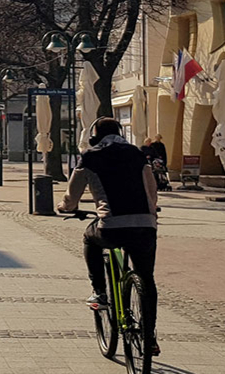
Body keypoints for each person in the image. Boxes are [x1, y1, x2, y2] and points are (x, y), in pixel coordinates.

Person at [58, 117, 161, 356]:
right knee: (147, 278)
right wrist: (151, 210)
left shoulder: (90, 156)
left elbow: (72, 195)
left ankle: (100, 292)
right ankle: (149, 335)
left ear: (94, 136)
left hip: (111, 226)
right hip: (145, 226)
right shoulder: (137, 154)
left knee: (89, 238)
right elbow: (151, 188)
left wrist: (66, 207)